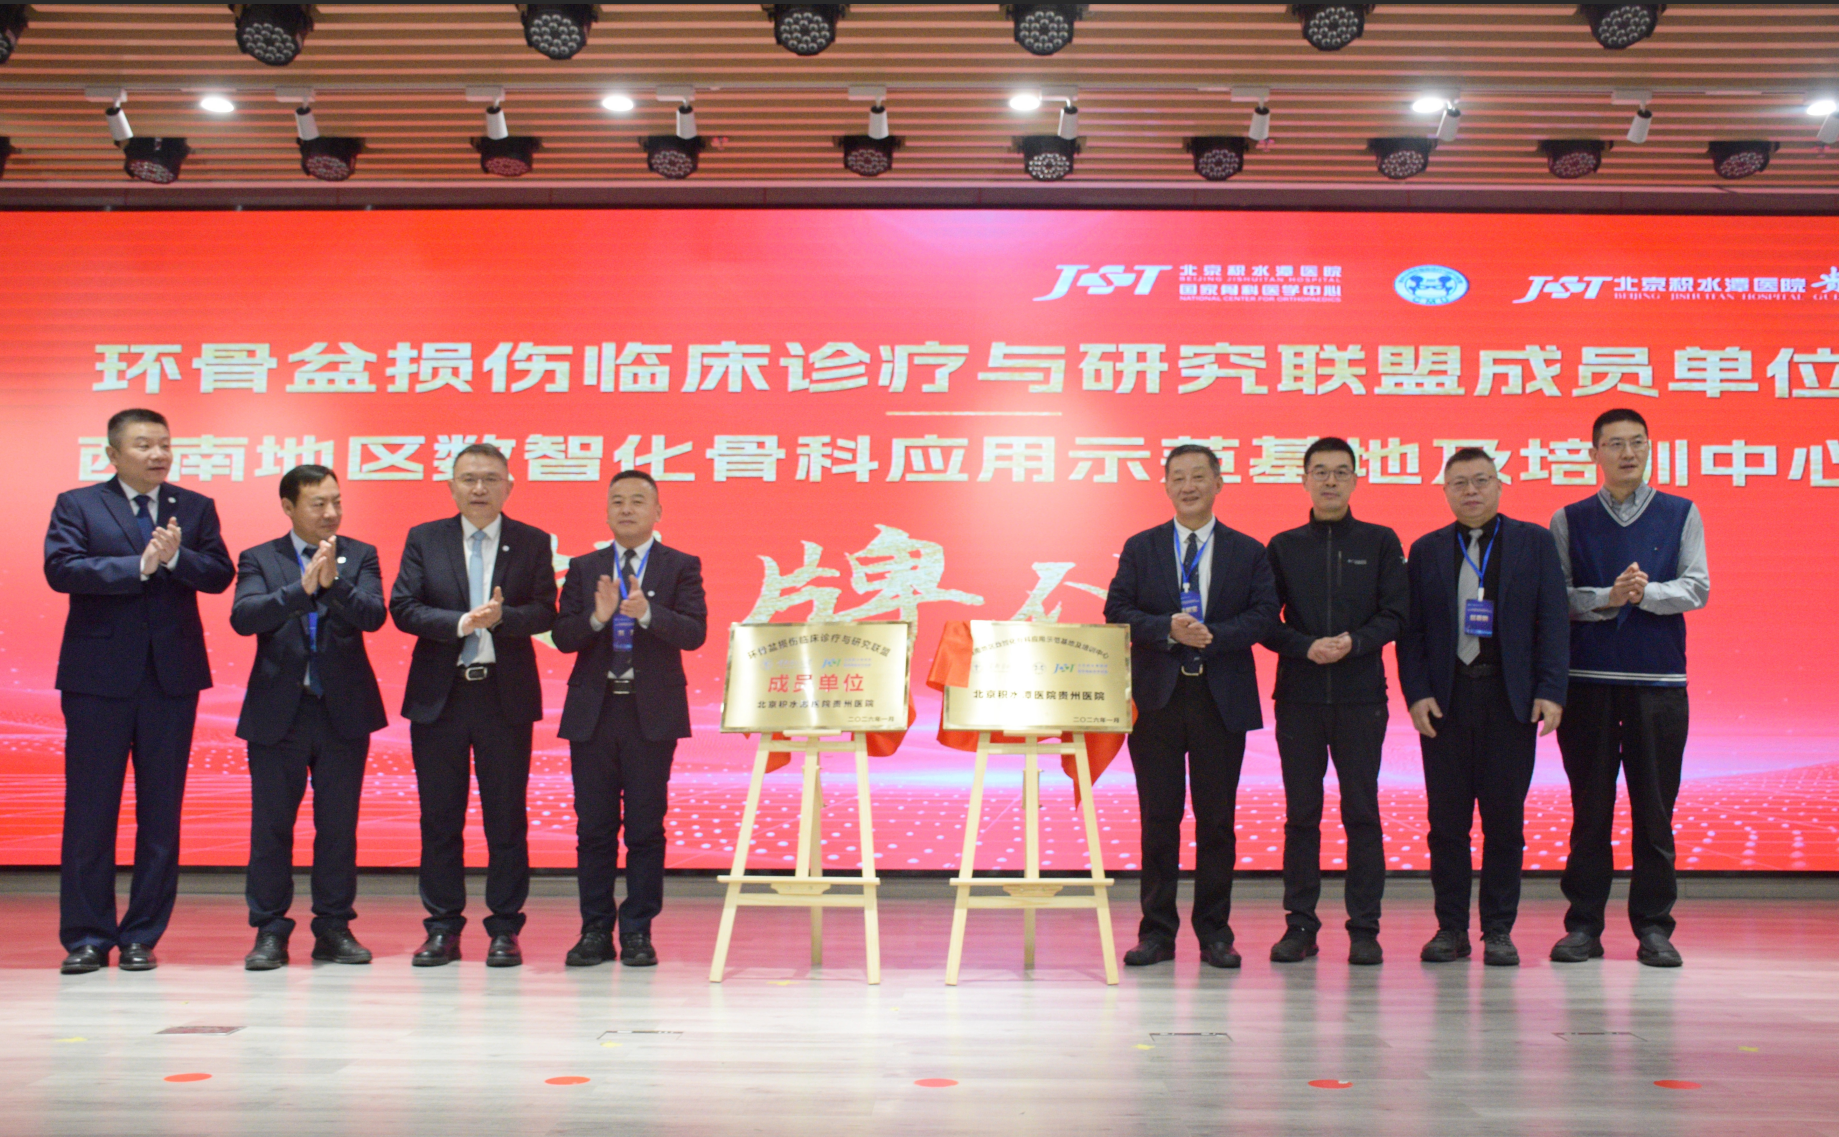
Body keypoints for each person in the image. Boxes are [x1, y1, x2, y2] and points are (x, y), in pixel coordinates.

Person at [44, 408, 235, 974]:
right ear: (113, 453)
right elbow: (61, 569)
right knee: (90, 811)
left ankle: (141, 935)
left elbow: (219, 574)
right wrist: (139, 566)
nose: (158, 455)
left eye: (165, 444)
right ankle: (86, 936)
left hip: (170, 681)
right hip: (96, 680)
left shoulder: (194, 507)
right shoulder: (78, 504)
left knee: (160, 814)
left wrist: (176, 557)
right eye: (144, 444)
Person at [1104, 444, 1279, 970]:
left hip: (1219, 700)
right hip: (1157, 701)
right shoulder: (1141, 547)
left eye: (1199, 476)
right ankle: (1156, 933)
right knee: (1159, 818)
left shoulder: (1248, 551)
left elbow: (1264, 615)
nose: (1188, 486)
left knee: (1217, 821)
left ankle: (1215, 934)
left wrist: (1210, 636)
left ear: (1218, 482)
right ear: (1165, 486)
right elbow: (1117, 610)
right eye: (1178, 477)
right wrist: (1167, 628)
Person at [1548, 409, 1708, 969]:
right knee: (1589, 811)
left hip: (1658, 684)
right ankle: (1583, 926)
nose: (1627, 453)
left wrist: (1648, 593)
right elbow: (1556, 599)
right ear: (1594, 453)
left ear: (1648, 448)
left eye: (1637, 442)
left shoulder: (1681, 512)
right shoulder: (1569, 519)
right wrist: (1609, 597)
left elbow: (1697, 587)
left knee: (1655, 812)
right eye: (1614, 444)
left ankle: (1654, 928)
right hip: (1588, 686)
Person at [1399, 447, 1568, 967]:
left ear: (1499, 485)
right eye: (1459, 483)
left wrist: (1551, 689)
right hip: (1445, 701)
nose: (1470, 491)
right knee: (1446, 824)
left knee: (1504, 822)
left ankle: (1498, 929)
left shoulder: (1533, 542)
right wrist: (1416, 693)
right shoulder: (1426, 549)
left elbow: (1553, 619)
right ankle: (1450, 928)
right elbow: (1411, 631)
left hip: (1509, 700)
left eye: (1481, 481)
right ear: (1445, 491)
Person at [389, 443, 556, 967]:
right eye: (468, 479)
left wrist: (505, 619)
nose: (479, 488)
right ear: (451, 486)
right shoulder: (425, 538)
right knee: (440, 818)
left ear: (509, 485)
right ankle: (442, 927)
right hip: (441, 697)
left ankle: (505, 928)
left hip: (503, 697)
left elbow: (546, 610)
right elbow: (403, 607)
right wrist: (461, 623)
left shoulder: (532, 541)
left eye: (490, 479)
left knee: (506, 818)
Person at [229, 465, 388, 970]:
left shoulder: (360, 554)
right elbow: (244, 617)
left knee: (338, 827)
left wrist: (334, 585)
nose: (331, 512)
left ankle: (334, 927)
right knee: (271, 827)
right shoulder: (259, 557)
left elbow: (373, 615)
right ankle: (270, 931)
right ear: (289, 507)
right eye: (319, 503)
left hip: (343, 711)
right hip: (280, 712)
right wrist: (300, 590)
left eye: (336, 501)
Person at [1261, 437, 1408, 966]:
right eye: (1319, 472)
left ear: (1354, 480)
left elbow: (1397, 614)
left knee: (1362, 812)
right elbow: (1263, 620)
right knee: (1301, 815)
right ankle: (1300, 925)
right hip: (1298, 698)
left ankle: (1364, 928)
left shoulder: (1380, 541)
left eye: (1340, 472)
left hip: (1360, 698)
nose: (1329, 481)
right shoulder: (1282, 546)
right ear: (1303, 480)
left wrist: (1355, 642)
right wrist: (1305, 646)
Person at [552, 470, 707, 968]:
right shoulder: (584, 567)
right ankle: (595, 930)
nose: (626, 509)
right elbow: (563, 637)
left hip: (650, 714)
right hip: (594, 713)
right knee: (593, 828)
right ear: (606, 512)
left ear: (657, 512)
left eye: (638, 501)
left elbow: (695, 633)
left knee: (645, 827)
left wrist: (646, 614)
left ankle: (638, 929)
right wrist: (598, 618)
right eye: (617, 501)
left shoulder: (680, 565)